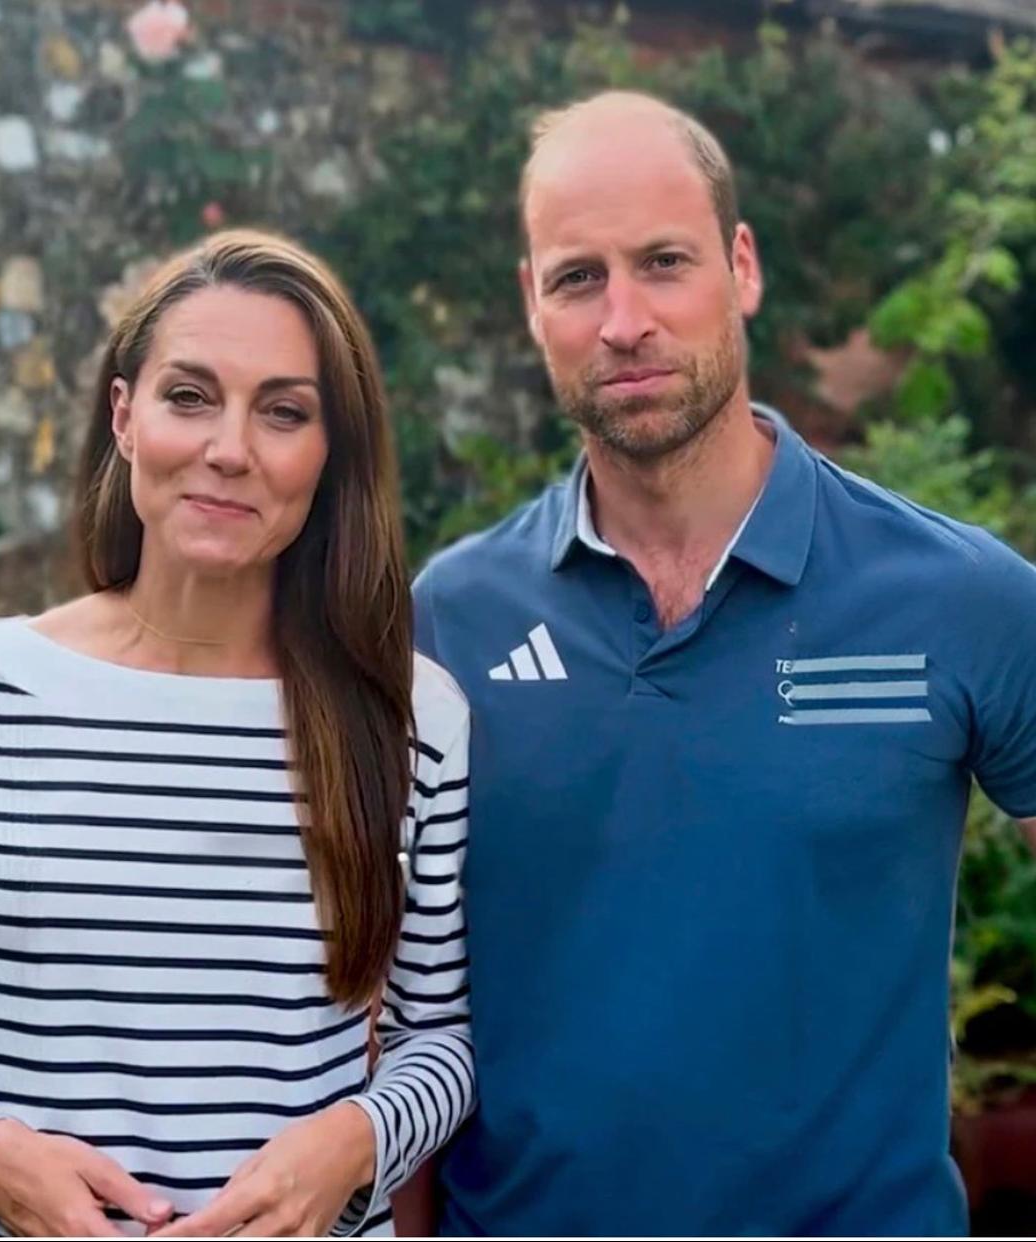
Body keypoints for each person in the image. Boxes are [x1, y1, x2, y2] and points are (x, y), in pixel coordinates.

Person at [412, 90, 1036, 1236]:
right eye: (578, 277)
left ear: (740, 267)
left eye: (663, 262)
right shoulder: (449, 620)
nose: (625, 319)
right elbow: (396, 1007)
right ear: (531, 305)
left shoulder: (960, 597)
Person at [0, 229, 473, 1239]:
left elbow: (440, 1038)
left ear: (329, 455)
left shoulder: (412, 719)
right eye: (189, 396)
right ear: (125, 416)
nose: (229, 449)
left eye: (284, 412)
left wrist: (352, 1144)